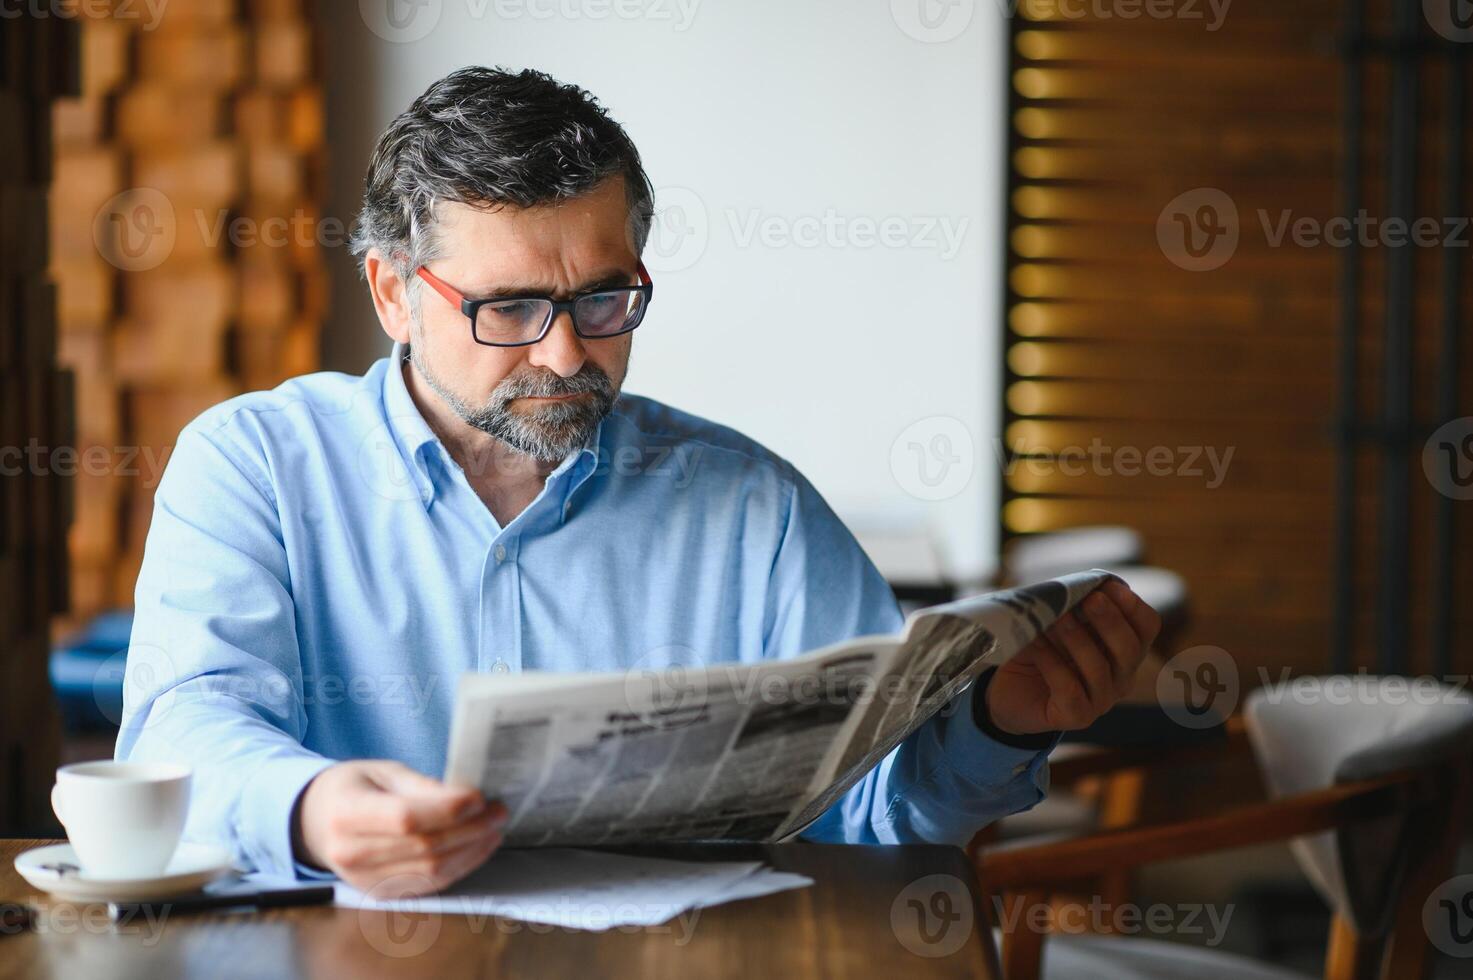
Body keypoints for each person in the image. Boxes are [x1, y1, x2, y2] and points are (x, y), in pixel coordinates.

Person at [117, 66, 1159, 897]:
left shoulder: (754, 509)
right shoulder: (253, 463)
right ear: (392, 291)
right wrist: (311, 809)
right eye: (512, 308)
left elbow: (876, 814)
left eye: (606, 299)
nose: (570, 356)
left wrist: (998, 727)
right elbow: (183, 721)